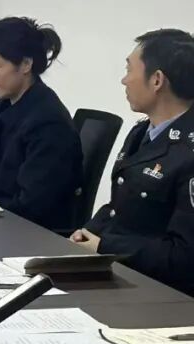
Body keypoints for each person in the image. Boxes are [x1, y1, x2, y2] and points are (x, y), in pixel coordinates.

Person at [72, 28, 194, 295]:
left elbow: (185, 258)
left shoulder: (189, 151)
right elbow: (119, 206)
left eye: (129, 70)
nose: (124, 80)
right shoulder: (142, 132)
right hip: (126, 274)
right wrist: (85, 233)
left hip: (165, 295)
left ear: (157, 80)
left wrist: (105, 247)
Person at [0, 17, 82, 232]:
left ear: (26, 64)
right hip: (0, 220)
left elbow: (33, 205)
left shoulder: (48, 122)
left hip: (30, 232)